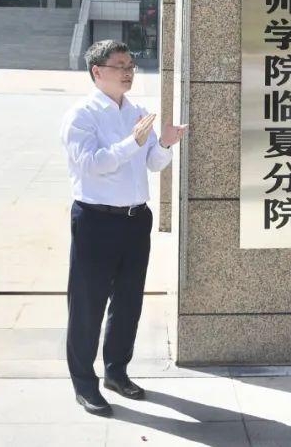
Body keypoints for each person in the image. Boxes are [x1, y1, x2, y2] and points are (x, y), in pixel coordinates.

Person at [61, 39, 187, 417]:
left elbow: (153, 164)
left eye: (131, 65)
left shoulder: (138, 112)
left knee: (128, 301)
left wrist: (165, 143)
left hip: (135, 220)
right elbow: (92, 165)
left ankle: (116, 371)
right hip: (96, 220)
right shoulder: (81, 116)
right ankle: (84, 383)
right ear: (97, 71)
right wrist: (133, 141)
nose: (129, 72)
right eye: (121, 66)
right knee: (88, 304)